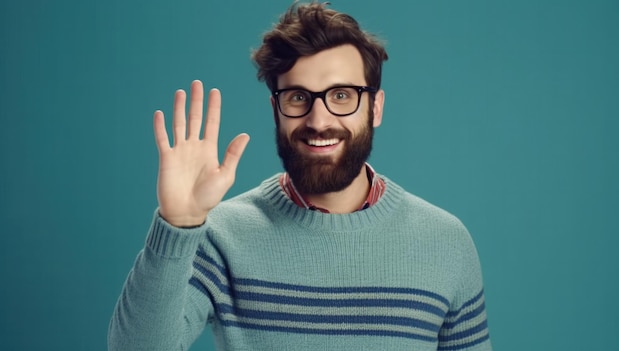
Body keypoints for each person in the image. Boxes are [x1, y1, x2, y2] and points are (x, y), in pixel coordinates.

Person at [108, 2, 492, 350]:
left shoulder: (446, 242)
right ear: (276, 109)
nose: (319, 120)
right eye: (298, 97)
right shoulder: (220, 236)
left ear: (375, 108)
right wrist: (178, 224)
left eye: (342, 95)